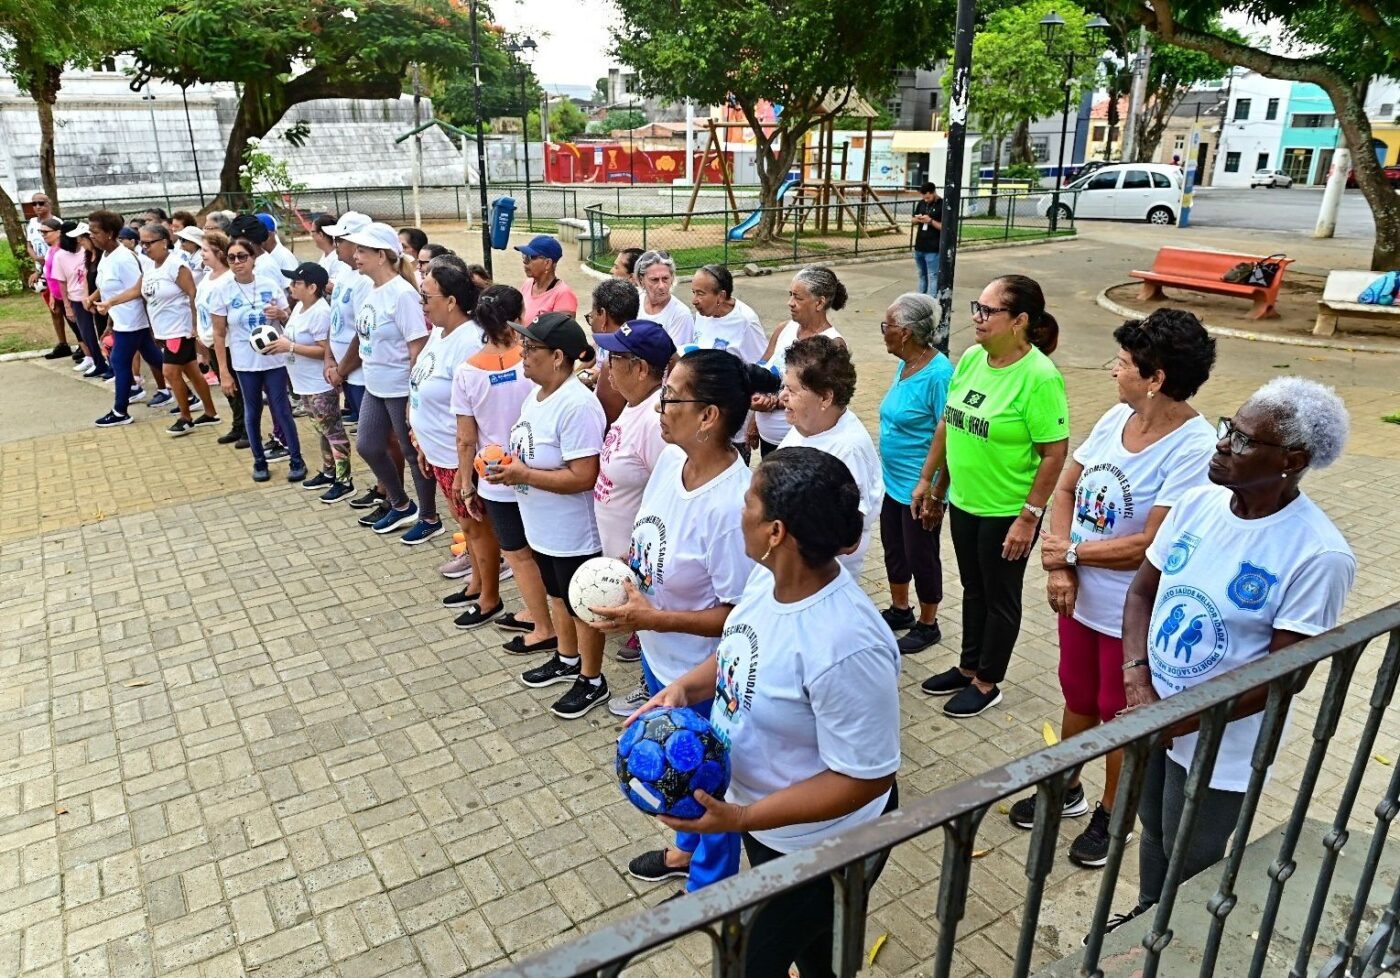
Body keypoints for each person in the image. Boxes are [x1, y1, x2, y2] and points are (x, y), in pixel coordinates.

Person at [627, 447, 900, 975]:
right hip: (771, 826)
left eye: (748, 502)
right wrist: (683, 687)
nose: (740, 510)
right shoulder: (769, 577)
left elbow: (867, 776)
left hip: (825, 847)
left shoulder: (846, 645)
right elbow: (739, 649)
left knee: (746, 963)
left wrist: (743, 818)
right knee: (817, 955)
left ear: (776, 532)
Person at [1101, 377, 1355, 937]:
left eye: (1243, 440)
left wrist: (1175, 719)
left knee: (1191, 853)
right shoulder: (1197, 504)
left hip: (1222, 742)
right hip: (1152, 712)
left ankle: (1175, 942)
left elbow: (1283, 676)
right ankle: (1147, 918)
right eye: (1228, 428)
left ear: (1291, 460)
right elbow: (1141, 593)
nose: (1222, 444)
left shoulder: (1318, 553)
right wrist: (1138, 683)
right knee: (1153, 828)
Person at [1006, 309, 1219, 868]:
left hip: (1133, 611)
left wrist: (1071, 554)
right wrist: (1060, 566)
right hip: (1078, 598)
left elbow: (1153, 543)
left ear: (1156, 378)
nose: (1113, 370)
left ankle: (1113, 812)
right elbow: (1067, 489)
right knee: (1077, 695)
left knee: (1118, 712)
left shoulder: (1194, 447)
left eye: (1123, 363)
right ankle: (1066, 785)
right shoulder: (1115, 417)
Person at [599, 349, 775, 895]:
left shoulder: (730, 507)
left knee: (707, 788)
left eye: (671, 397)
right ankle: (685, 851)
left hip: (704, 677)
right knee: (680, 776)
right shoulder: (672, 464)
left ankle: (709, 889)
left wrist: (653, 617)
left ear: (708, 416)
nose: (660, 406)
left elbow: (739, 619)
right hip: (662, 661)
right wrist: (624, 580)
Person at [913, 275, 1069, 719]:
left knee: (1000, 595)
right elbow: (950, 424)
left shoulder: (1040, 377)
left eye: (988, 310)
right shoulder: (971, 359)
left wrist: (1029, 517)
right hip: (966, 501)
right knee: (973, 587)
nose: (977, 318)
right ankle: (967, 667)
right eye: (976, 308)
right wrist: (932, 484)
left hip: (1007, 510)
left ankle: (987, 681)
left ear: (1019, 320)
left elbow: (1054, 453)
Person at [483, 312, 609, 719]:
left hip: (573, 531)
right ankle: (567, 657)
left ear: (558, 357)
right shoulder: (535, 396)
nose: (523, 353)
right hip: (542, 525)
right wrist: (507, 466)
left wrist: (522, 475)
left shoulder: (576, 405)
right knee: (557, 596)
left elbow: (584, 476)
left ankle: (592, 679)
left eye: (531, 347)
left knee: (580, 606)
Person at [451, 286, 557, 652]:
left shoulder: (467, 372)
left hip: (495, 477)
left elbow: (466, 439)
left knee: (518, 554)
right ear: (520, 317)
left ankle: (543, 626)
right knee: (542, 551)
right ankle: (542, 615)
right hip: (541, 469)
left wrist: (466, 484)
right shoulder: (533, 363)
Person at [346, 222, 440, 542]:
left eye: (362, 250)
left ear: (382, 255)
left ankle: (429, 517)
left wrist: (414, 394)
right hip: (375, 384)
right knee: (368, 445)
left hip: (400, 387)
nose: (355, 255)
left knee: (412, 453)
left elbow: (418, 347)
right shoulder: (370, 290)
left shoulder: (402, 295)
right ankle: (401, 504)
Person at [587, 319, 673, 664]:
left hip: (643, 563)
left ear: (640, 369)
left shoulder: (655, 421)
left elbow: (667, 495)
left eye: (615, 357)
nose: (606, 364)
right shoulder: (633, 404)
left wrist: (640, 554)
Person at [877, 293, 954, 654]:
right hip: (893, 481)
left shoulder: (939, 374)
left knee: (921, 554)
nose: (883, 331)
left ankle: (928, 623)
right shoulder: (907, 362)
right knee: (895, 547)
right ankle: (901, 609)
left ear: (906, 332)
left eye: (887, 326)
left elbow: (951, 435)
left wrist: (937, 492)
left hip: (921, 488)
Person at [409, 259, 490, 602]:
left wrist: (464, 471)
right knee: (465, 524)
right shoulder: (439, 333)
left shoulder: (469, 342)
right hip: (439, 452)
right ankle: (477, 582)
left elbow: (473, 412)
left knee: (475, 526)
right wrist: (420, 439)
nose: (422, 304)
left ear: (452, 301)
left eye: (427, 297)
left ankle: (486, 592)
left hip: (459, 458)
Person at [776, 336, 882, 580]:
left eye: (792, 390)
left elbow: (848, 540)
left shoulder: (849, 451)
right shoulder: (808, 423)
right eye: (784, 387)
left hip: (818, 580)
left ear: (825, 398)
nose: (782, 397)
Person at [210, 234, 305, 482]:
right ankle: (259, 461)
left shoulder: (269, 284)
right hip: (244, 362)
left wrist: (280, 313)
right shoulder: (221, 290)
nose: (237, 262)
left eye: (242, 257)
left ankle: (296, 459)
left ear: (253, 258)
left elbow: (289, 318)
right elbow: (218, 334)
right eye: (231, 258)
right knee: (252, 412)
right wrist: (224, 372)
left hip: (274, 359)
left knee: (281, 409)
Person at [263, 262, 356, 503]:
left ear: (313, 287)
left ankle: (344, 480)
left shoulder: (320, 312)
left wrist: (290, 347)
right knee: (322, 430)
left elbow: (325, 350)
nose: (291, 286)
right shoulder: (300, 307)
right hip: (303, 383)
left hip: (320, 384)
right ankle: (329, 471)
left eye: (297, 282)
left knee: (333, 432)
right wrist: (280, 333)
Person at [752, 266, 847, 456]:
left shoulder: (832, 344)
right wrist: (753, 417)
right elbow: (761, 371)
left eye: (798, 298)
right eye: (790, 295)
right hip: (768, 439)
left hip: (803, 444)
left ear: (819, 302)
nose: (790, 303)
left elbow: (827, 400)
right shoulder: (783, 329)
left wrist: (774, 402)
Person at [138, 222, 219, 435]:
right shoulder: (149, 267)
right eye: (142, 243)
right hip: (164, 330)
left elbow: (193, 293)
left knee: (170, 372)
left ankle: (186, 417)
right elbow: (140, 292)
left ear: (164, 242)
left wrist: (195, 325)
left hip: (179, 329)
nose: (145, 247)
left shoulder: (176, 265)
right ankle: (210, 412)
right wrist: (110, 302)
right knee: (192, 371)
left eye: (149, 243)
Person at [88, 210, 167, 428]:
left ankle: (120, 411)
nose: (91, 235)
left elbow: (138, 289)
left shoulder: (124, 258)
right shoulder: (106, 256)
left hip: (132, 319)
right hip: (121, 318)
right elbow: (107, 284)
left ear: (110, 233)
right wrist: (94, 298)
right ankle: (187, 396)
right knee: (155, 358)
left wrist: (110, 303)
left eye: (95, 231)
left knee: (119, 361)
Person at [322, 211, 373, 443]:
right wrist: (329, 358)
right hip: (345, 372)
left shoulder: (366, 280)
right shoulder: (344, 271)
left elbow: (362, 334)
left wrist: (341, 370)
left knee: (373, 441)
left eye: (339, 239)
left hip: (360, 374)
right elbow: (335, 319)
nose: (335, 245)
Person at [196, 230, 245, 448]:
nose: (202, 254)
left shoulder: (228, 279)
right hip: (210, 342)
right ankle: (238, 425)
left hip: (227, 343)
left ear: (218, 252)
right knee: (229, 389)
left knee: (236, 386)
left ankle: (247, 428)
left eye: (205, 250)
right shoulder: (207, 277)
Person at [51, 221, 108, 379]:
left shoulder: (94, 253)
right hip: (78, 298)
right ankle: (98, 362)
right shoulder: (61, 256)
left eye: (81, 238)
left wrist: (90, 298)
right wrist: (68, 305)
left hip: (97, 299)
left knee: (103, 332)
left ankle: (109, 363)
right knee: (87, 333)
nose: (78, 241)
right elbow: (62, 282)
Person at [584, 278, 641, 424]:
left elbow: (605, 424)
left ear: (602, 315)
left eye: (591, 315)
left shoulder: (614, 363)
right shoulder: (645, 344)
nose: (592, 321)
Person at [26, 192, 74, 360]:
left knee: (68, 309)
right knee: (54, 310)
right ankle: (63, 344)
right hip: (43, 273)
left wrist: (43, 267)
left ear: (49, 204)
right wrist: (36, 260)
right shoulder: (32, 223)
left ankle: (84, 344)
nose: (37, 206)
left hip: (56, 273)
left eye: (41, 203)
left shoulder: (57, 223)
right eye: (34, 203)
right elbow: (29, 245)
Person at [689, 264, 766, 363]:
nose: (694, 301)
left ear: (721, 296)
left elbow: (760, 365)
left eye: (700, 294)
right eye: (694, 292)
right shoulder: (702, 314)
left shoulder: (746, 322)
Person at [635, 250, 695, 348]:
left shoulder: (681, 314)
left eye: (665, 278)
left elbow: (676, 355)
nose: (661, 286)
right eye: (654, 280)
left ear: (672, 278)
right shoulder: (636, 302)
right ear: (641, 280)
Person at [516, 235, 577, 324]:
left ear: (547, 263)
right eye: (524, 257)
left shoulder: (564, 294)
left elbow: (563, 331)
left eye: (530, 257)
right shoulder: (527, 284)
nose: (525, 262)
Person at [912, 182, 942, 296]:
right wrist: (918, 219)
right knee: (921, 274)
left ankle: (931, 300)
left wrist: (930, 221)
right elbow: (912, 220)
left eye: (928, 197)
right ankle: (920, 298)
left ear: (933, 192)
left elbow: (944, 227)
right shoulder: (921, 203)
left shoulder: (942, 205)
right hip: (920, 246)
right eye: (924, 197)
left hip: (933, 248)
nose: (926, 200)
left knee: (932, 275)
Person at [311, 214, 344, 279]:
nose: (311, 235)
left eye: (313, 232)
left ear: (321, 234)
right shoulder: (326, 255)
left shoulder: (338, 259)